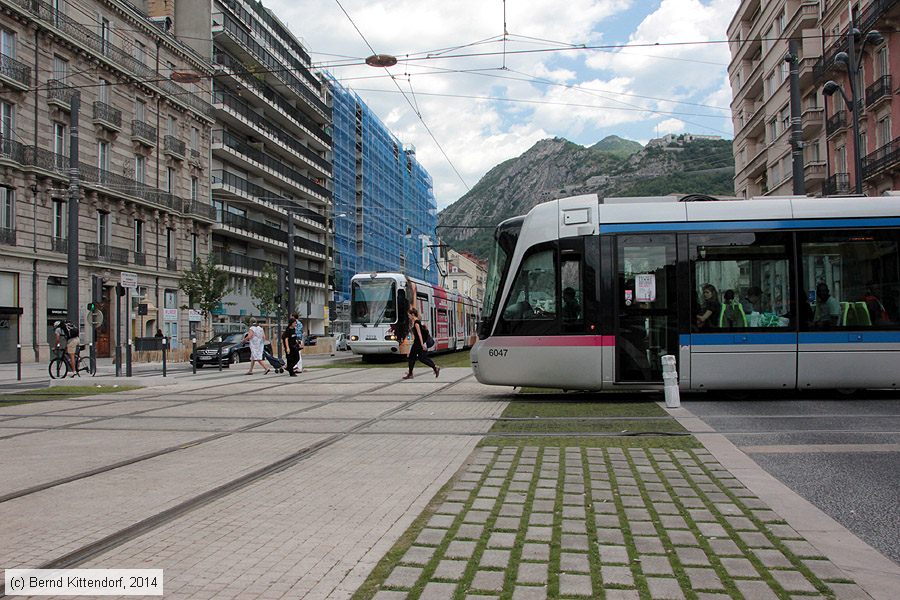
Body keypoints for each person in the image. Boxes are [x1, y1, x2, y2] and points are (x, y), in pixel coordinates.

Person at [403, 306, 439, 380]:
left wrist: (422, 344)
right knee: (419, 358)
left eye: (409, 315)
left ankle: (434, 367)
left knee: (415, 358)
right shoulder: (416, 321)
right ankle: (434, 367)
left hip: (418, 343)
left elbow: (419, 334)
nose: (408, 316)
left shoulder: (416, 322)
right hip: (418, 342)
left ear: (412, 314)